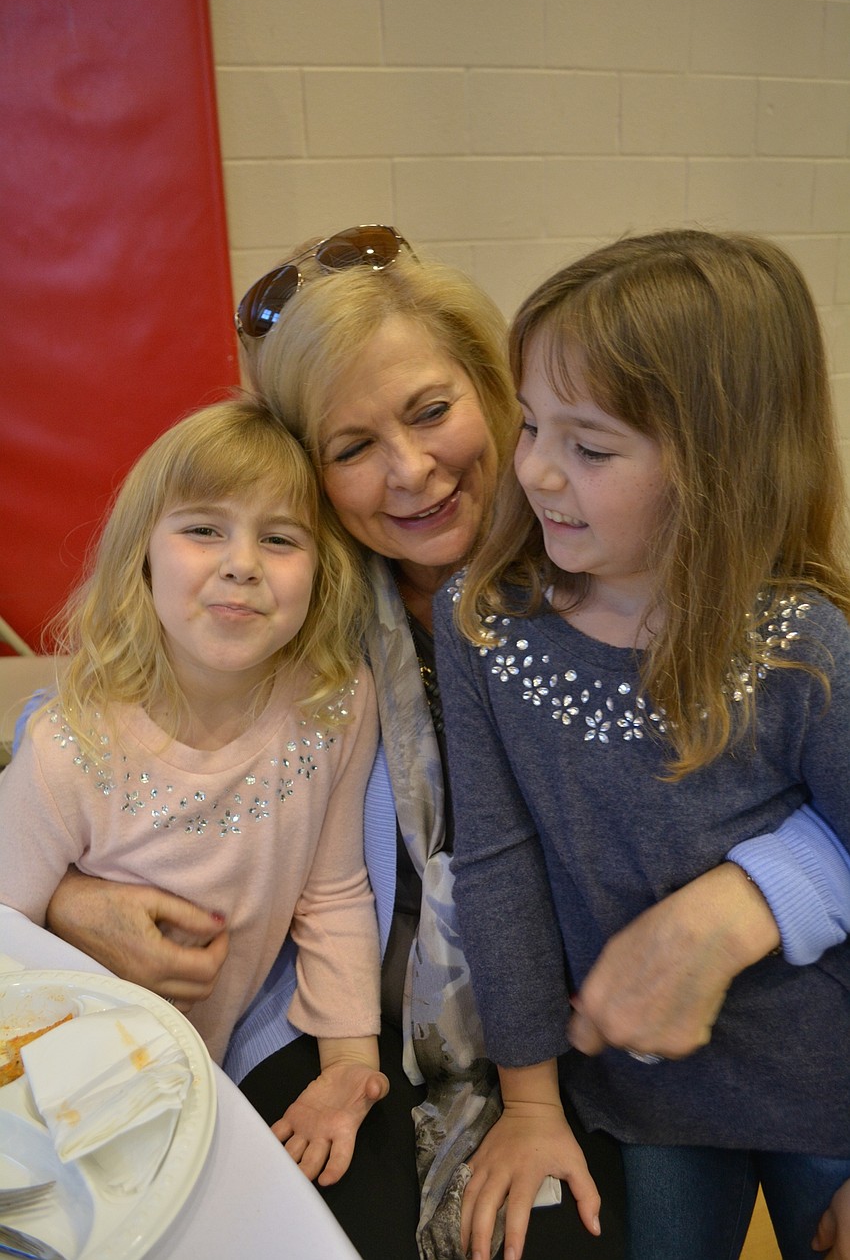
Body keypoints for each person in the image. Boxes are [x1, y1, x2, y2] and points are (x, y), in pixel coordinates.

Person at [40, 226, 850, 1260]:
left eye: (432, 412)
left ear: (488, 386)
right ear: (309, 476)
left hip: (630, 1049)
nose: (413, 470)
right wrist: (68, 889)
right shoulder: (301, 614)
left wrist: (752, 894)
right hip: (357, 1032)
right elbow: (87, 727)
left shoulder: (721, 607)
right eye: (352, 448)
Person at [436, 228, 850, 1260]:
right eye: (530, 424)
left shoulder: (802, 645)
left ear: (719, 467)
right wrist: (530, 1100)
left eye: (590, 447)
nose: (531, 470)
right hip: (644, 1095)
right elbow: (498, 866)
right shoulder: (484, 620)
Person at [0, 397, 387, 1188]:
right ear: (142, 554)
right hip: (65, 1089)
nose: (241, 562)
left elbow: (335, 891)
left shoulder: (336, 702)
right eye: (204, 529)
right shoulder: (68, 749)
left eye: (279, 539)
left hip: (218, 1074)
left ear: (321, 572)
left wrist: (350, 1062)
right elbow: (6, 937)